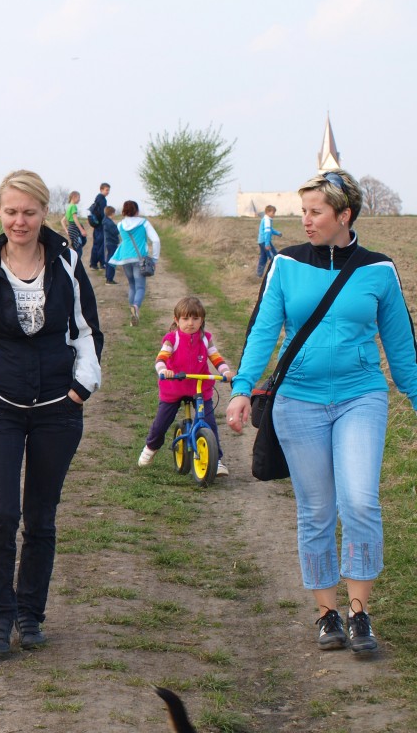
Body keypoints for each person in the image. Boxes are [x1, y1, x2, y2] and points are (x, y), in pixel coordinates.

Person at [227, 169, 417, 656]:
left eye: (315, 212)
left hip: (360, 397)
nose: (305, 220)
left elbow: (401, 347)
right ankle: (326, 613)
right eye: (303, 211)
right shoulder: (286, 264)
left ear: (344, 215)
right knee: (316, 510)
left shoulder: (379, 270)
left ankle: (359, 613)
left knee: (360, 502)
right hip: (298, 401)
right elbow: (263, 330)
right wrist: (243, 389)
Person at [0, 169, 103, 655]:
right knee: (2, 514)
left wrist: (81, 388)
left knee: (40, 518)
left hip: (59, 410)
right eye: (11, 211)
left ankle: (31, 616)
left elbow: (87, 330)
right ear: (0, 212)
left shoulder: (67, 262)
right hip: (0, 411)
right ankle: (0, 618)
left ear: (43, 213)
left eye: (29, 212)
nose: (20, 221)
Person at [137, 297, 231, 477]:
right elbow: (161, 358)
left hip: (199, 387)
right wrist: (164, 370)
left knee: (209, 423)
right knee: (161, 424)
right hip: (174, 387)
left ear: (202, 320)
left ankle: (216, 460)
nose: (190, 323)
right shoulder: (172, 339)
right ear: (177, 320)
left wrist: (225, 371)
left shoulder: (205, 339)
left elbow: (216, 357)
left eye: (195, 319)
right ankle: (150, 448)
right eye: (186, 319)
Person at [108, 200, 160, 326]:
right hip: (139, 259)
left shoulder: (120, 225)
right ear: (137, 210)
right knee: (140, 287)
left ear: (124, 211)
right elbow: (156, 240)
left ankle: (133, 314)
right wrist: (154, 258)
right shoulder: (144, 222)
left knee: (132, 285)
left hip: (125, 258)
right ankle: (135, 308)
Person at [87, 182, 110, 270]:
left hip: (97, 225)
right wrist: (106, 222)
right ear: (101, 189)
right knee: (101, 244)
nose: (108, 192)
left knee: (96, 244)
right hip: (100, 225)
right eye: (106, 190)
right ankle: (101, 263)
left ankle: (94, 263)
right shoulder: (102, 199)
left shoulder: (97, 199)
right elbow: (103, 213)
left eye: (108, 190)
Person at [256, 204, 282, 277]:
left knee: (263, 257)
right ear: (268, 212)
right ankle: (276, 273)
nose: (274, 215)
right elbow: (267, 232)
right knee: (273, 256)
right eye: (273, 213)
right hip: (265, 241)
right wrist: (267, 244)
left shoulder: (266, 219)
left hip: (261, 241)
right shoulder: (267, 220)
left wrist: (277, 233)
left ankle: (259, 274)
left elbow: (270, 229)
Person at [60, 191, 88, 255]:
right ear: (74, 197)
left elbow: (62, 221)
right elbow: (75, 219)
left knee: (77, 246)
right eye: (79, 198)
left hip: (70, 229)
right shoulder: (73, 206)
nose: (79, 200)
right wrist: (82, 230)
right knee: (78, 249)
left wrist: (67, 230)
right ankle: (76, 260)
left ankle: (74, 258)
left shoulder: (68, 207)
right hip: (75, 229)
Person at [102, 206, 120, 284]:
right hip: (112, 243)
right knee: (112, 260)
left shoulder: (105, 221)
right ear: (112, 213)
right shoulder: (109, 223)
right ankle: (109, 278)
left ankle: (108, 277)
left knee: (109, 259)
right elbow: (116, 232)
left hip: (108, 242)